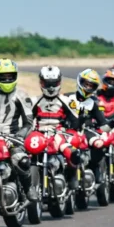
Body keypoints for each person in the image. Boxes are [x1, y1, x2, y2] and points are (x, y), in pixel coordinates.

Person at [0, 58, 40, 208]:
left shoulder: (22, 96)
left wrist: (19, 136)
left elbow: (29, 122)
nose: (7, 79)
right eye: (3, 77)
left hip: (12, 138)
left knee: (22, 161)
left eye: (10, 76)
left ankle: (29, 189)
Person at [31, 66, 83, 204]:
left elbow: (75, 120)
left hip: (58, 134)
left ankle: (72, 177)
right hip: (39, 134)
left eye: (53, 83)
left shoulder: (66, 101)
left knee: (74, 154)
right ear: (41, 83)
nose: (50, 87)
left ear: (59, 83)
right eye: (47, 84)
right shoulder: (34, 100)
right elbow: (27, 119)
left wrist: (71, 128)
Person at [67, 69, 112, 203]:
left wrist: (107, 130)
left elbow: (102, 122)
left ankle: (95, 167)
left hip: (87, 130)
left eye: (91, 86)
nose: (87, 87)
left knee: (98, 144)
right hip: (68, 130)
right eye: (85, 84)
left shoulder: (94, 102)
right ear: (79, 82)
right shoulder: (66, 97)